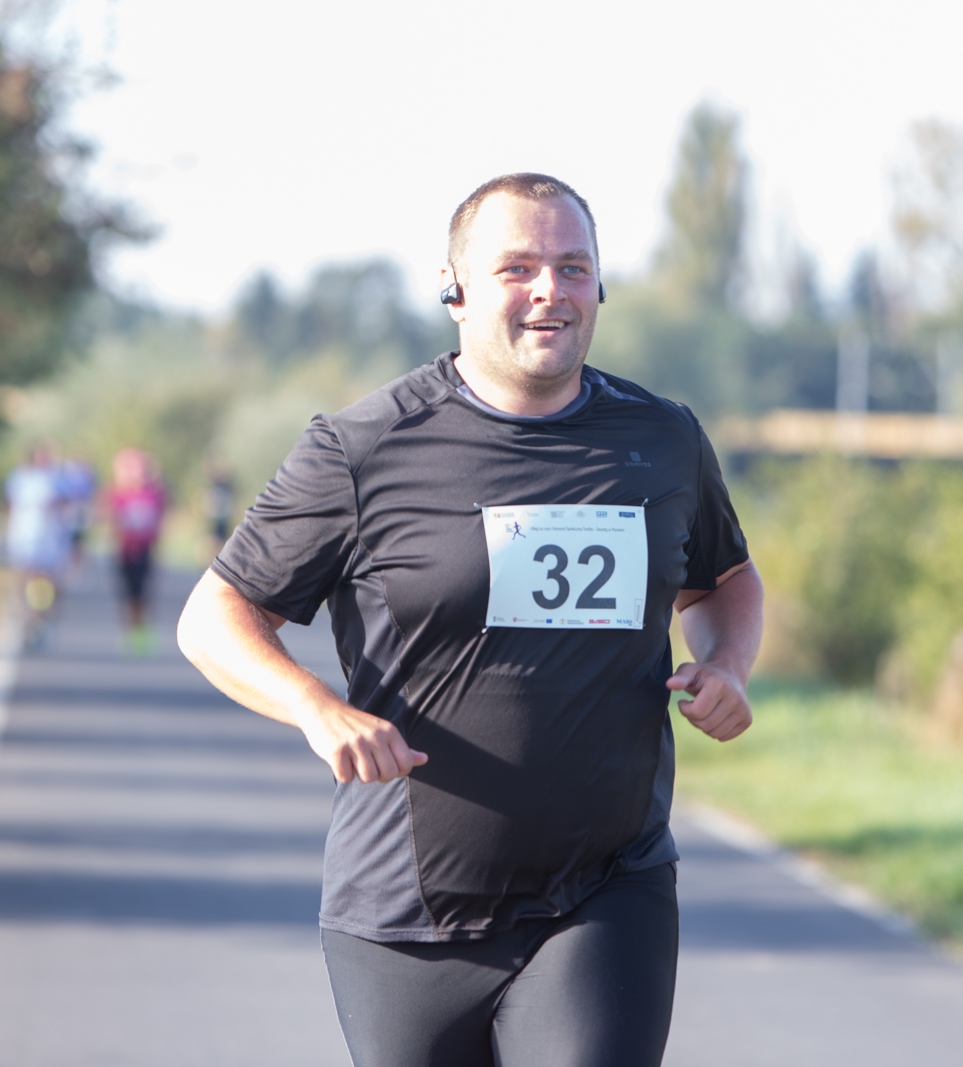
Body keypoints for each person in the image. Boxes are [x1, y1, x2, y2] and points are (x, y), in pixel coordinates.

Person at [177, 173, 763, 1067]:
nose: (549, 291)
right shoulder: (363, 448)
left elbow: (724, 579)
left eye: (573, 267)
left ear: (599, 286)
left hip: (606, 885)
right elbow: (216, 614)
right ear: (454, 290)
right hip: (407, 909)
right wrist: (315, 707)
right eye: (517, 267)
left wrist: (726, 664)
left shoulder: (663, 438)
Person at [2, 440, 71, 650]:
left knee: (51, 583)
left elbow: (68, 503)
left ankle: (46, 620)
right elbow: (7, 504)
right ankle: (25, 620)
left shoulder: (58, 479)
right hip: (24, 537)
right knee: (24, 579)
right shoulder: (19, 477)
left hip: (51, 540)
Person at [107, 447, 169, 653]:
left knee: (144, 592)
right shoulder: (119, 494)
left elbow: (163, 511)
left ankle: (141, 631)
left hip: (146, 549)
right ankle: (131, 630)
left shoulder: (154, 494)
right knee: (128, 593)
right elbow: (112, 520)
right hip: (126, 549)